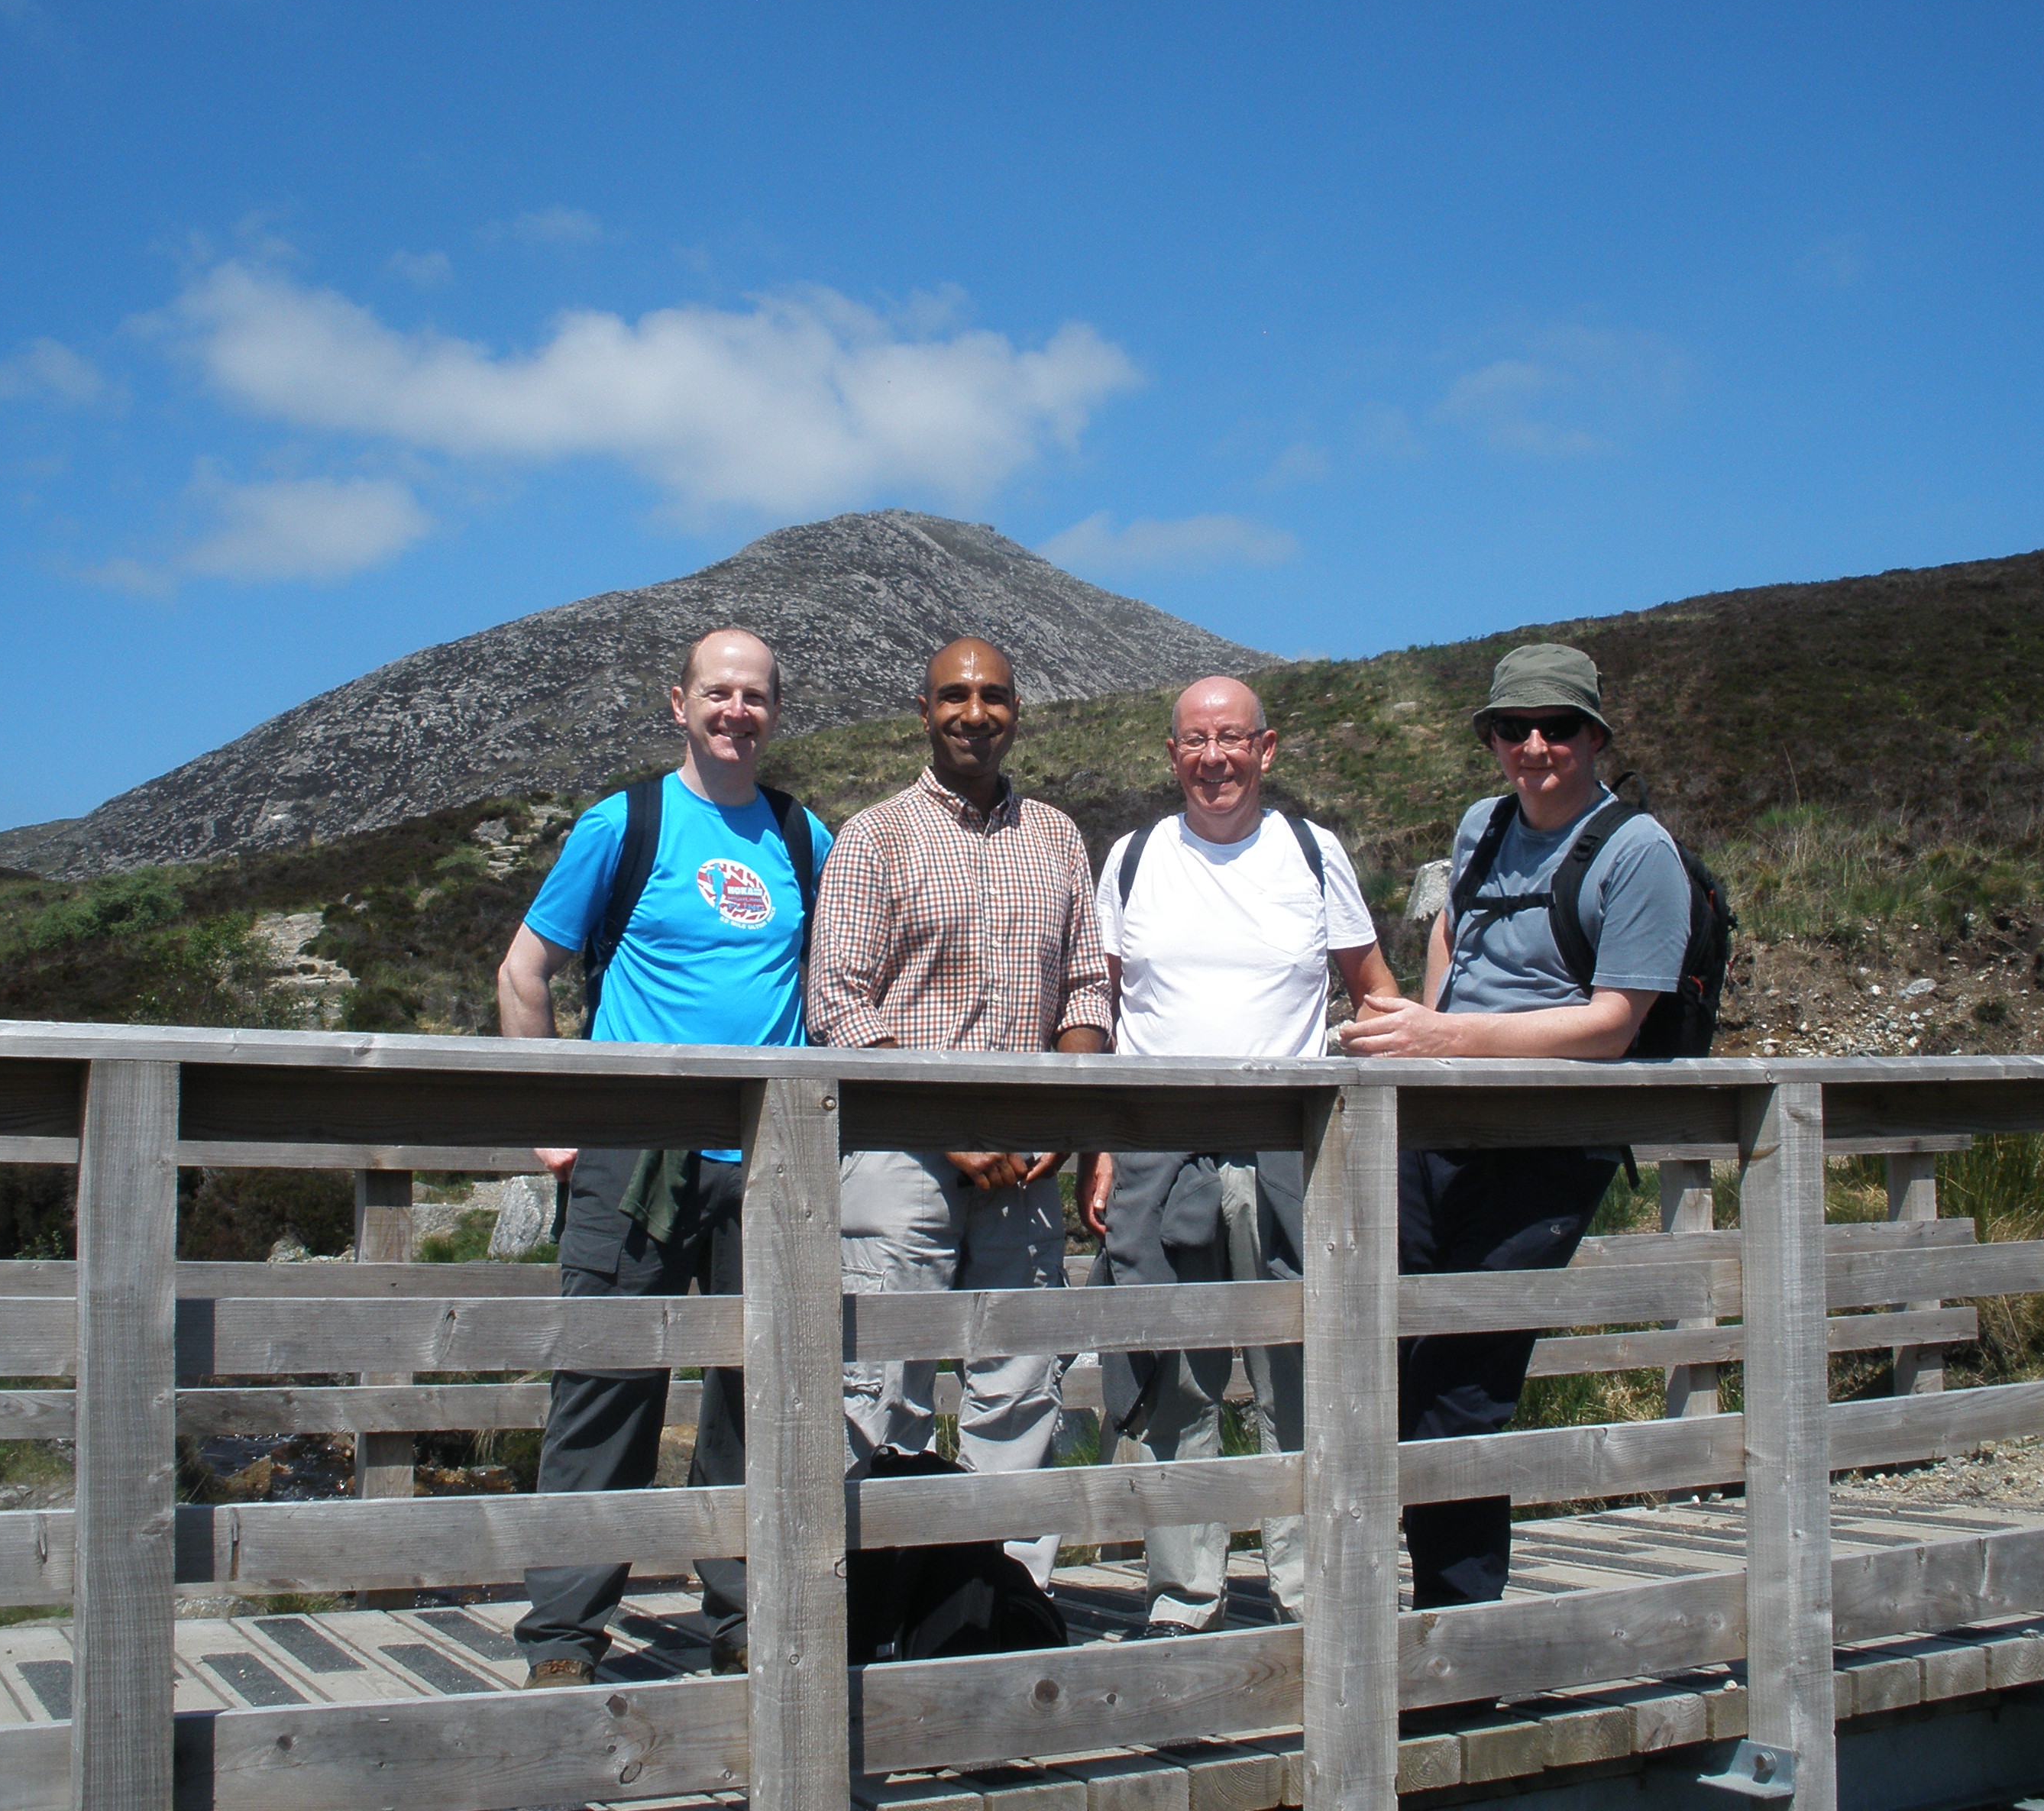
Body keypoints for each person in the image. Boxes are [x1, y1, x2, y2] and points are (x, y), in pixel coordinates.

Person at [495, 628, 833, 1686]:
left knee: (759, 1396)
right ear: (677, 702)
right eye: (718, 693)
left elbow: (834, 977)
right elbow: (524, 970)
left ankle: (745, 1621)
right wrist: (555, 1123)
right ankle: (565, 1636)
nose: (737, 711)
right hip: (635, 1158)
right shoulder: (625, 824)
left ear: (776, 712)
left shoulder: (798, 832)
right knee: (607, 1387)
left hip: (769, 1163)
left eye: (756, 696)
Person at [1339, 642, 1689, 1609]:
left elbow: (1615, 1022)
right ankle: (1387, 1606)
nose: (1535, 747)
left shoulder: (1637, 851)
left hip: (1546, 1144)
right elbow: (1452, 924)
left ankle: (1457, 1634)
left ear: (1595, 735)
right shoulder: (1482, 826)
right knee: (1381, 1354)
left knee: (1462, 1381)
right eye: (1512, 728)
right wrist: (1429, 1036)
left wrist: (1444, 1034)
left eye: (1559, 728)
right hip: (1436, 1129)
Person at [1082, 675, 1395, 1635]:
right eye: (1194, 741)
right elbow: (1103, 1006)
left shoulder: (1314, 854)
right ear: (1171, 754)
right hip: (1155, 1150)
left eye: (1232, 739)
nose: (1213, 758)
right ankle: (1185, 1596)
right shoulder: (1131, 861)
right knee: (1175, 1374)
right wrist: (1100, 1149)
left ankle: (1314, 1592)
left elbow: (1371, 988)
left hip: (1289, 1147)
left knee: (1300, 1369)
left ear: (1267, 749)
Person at [806, 635, 1110, 1589]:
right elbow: (839, 1006)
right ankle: (867, 1608)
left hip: (1022, 1164)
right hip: (901, 1156)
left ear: (1017, 708)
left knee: (1020, 1386)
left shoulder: (1058, 837)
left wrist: (1067, 1108)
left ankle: (1004, 1613)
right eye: (954, 696)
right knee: (874, 1386)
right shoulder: (875, 836)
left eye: (993, 696)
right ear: (924, 709)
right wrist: (948, 1126)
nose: (973, 712)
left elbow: (1088, 988)